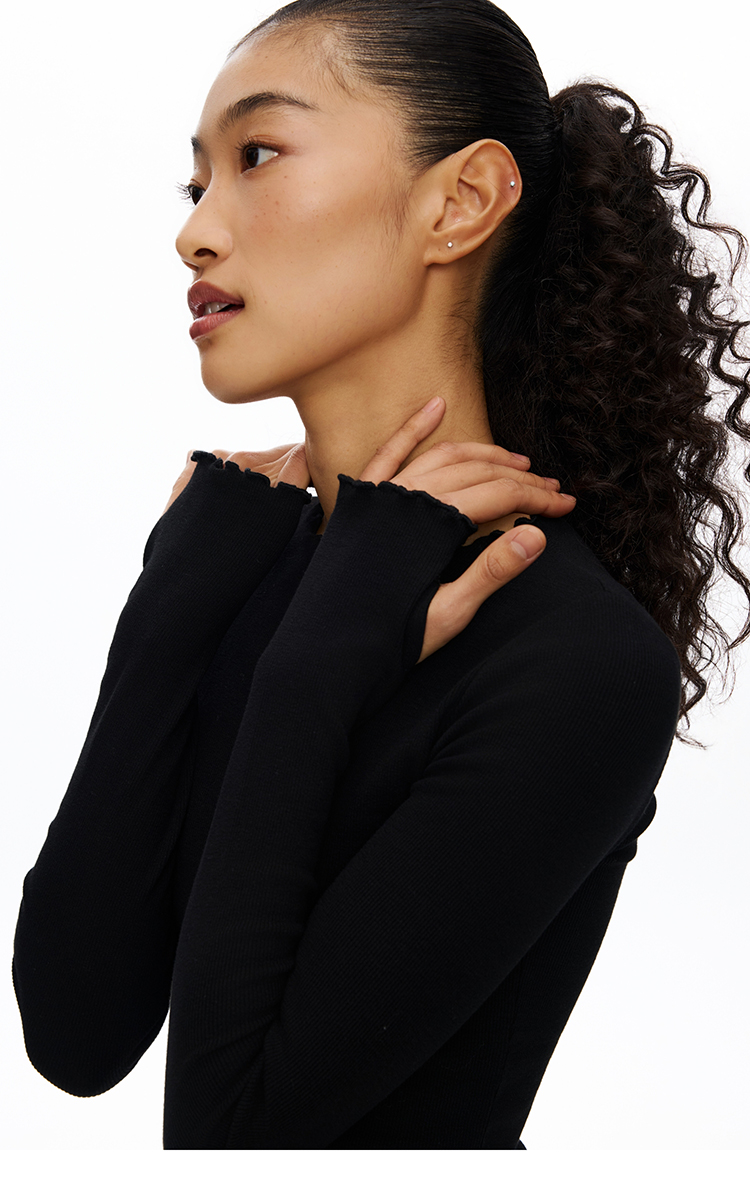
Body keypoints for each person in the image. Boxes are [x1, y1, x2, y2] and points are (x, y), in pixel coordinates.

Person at [12, 0, 750, 1151]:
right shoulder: (241, 569)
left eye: (259, 155)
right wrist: (169, 607)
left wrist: (322, 653)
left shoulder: (576, 655)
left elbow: (234, 1134)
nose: (194, 232)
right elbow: (76, 1031)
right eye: (196, 182)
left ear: (460, 201)